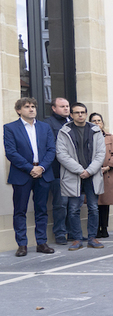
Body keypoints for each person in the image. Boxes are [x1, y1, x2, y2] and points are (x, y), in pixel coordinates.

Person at [4, 97, 56, 256]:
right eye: (27, 107)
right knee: (20, 210)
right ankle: (22, 245)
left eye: (33, 106)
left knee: (41, 209)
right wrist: (29, 168)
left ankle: (41, 243)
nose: (31, 109)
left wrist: (41, 167)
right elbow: (11, 153)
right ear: (19, 110)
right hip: (22, 174)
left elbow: (51, 150)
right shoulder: (10, 128)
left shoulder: (45, 127)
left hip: (43, 172)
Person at [56, 102, 106, 251]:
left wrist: (89, 171)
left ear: (86, 113)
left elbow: (100, 153)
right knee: (73, 209)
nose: (80, 115)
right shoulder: (64, 131)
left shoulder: (95, 130)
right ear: (71, 115)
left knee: (93, 208)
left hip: (92, 175)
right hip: (73, 176)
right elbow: (61, 154)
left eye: (83, 112)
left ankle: (92, 237)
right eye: (77, 112)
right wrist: (80, 170)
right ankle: (77, 238)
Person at [44, 97, 70, 244]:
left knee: (75, 204)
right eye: (62, 106)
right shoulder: (48, 124)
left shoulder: (72, 122)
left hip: (75, 171)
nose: (66, 108)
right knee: (60, 203)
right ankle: (60, 233)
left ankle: (73, 232)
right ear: (54, 108)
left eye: (67, 106)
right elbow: (52, 147)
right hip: (57, 170)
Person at [88, 113, 113, 239]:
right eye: (94, 121)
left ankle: (104, 228)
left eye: (99, 120)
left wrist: (108, 166)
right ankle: (95, 229)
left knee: (105, 202)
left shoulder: (110, 137)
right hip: (92, 173)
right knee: (94, 203)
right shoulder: (87, 137)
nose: (97, 123)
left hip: (107, 174)